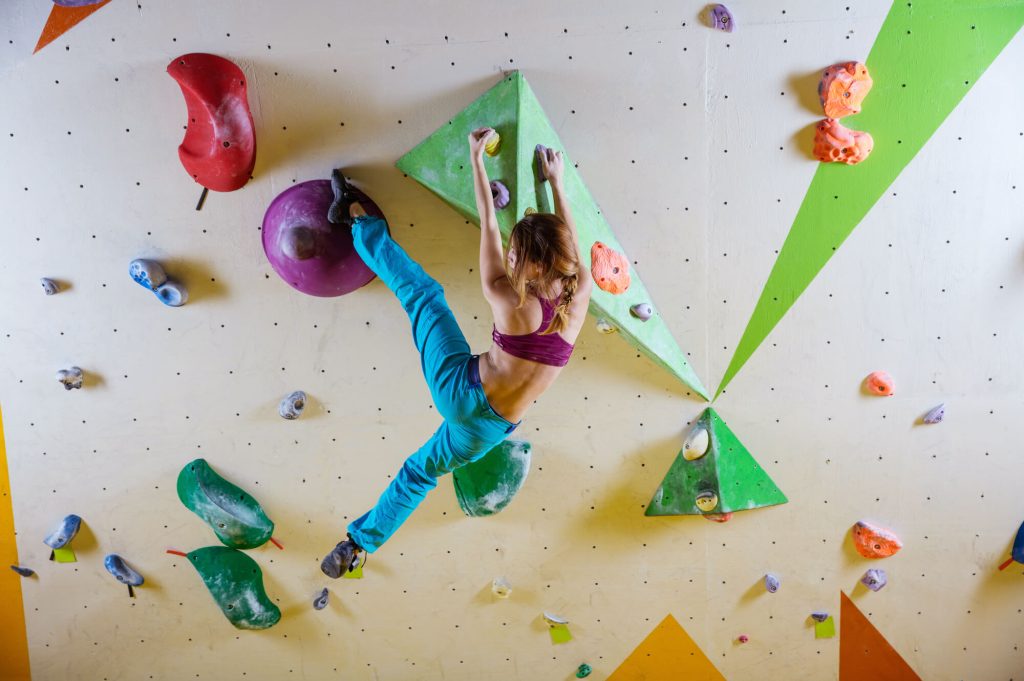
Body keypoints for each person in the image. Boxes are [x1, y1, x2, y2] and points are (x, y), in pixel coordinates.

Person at [321, 127, 593, 578]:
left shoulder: (508, 297)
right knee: (420, 473)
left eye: (515, 255)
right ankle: (358, 545)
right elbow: (572, 247)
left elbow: (489, 221)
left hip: (460, 385)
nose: (509, 259)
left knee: (424, 295)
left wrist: (479, 160)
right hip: (487, 431)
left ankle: (353, 217)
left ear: (535, 266)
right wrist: (557, 186)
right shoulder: (580, 293)